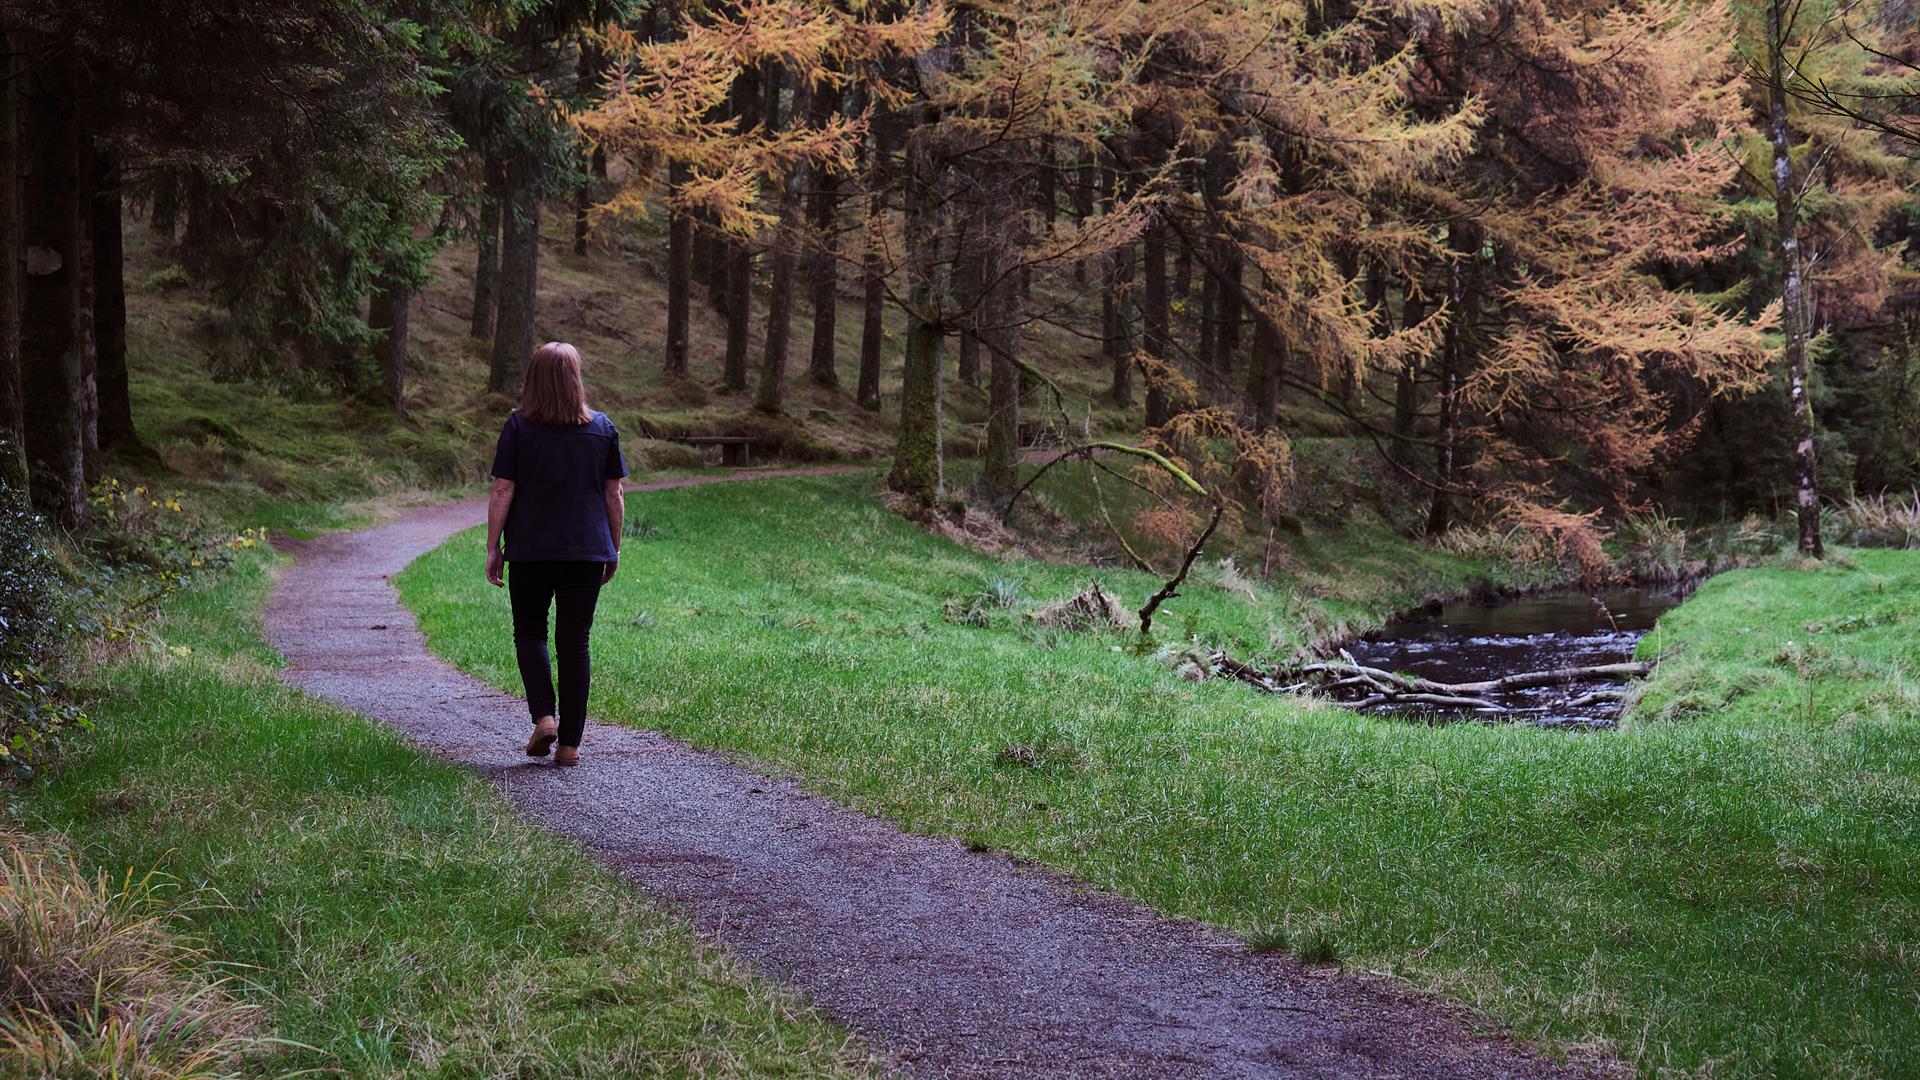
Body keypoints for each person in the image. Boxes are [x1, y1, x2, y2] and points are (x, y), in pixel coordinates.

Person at [485, 342, 627, 766]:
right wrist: (613, 548)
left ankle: (544, 716)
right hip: (585, 552)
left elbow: (503, 488)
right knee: (574, 643)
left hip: (529, 550)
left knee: (530, 633)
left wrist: (494, 546)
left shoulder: (518, 427)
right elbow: (613, 493)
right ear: (575, 378)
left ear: (534, 378)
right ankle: (570, 744)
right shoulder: (602, 428)